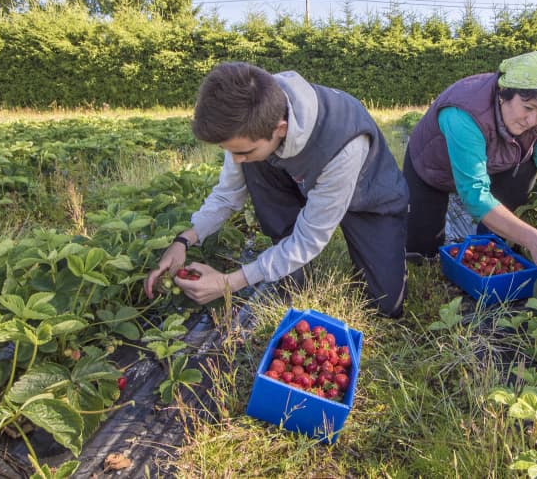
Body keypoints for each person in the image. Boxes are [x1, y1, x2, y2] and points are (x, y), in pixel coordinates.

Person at [143, 62, 409, 318]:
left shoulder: (344, 142)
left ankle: (389, 262)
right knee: (253, 164)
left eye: (243, 151)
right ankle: (292, 269)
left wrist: (230, 282)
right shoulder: (249, 119)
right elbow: (228, 193)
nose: (235, 159)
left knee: (385, 304)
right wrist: (184, 240)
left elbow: (310, 238)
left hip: (369, 197)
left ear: (280, 129)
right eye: (230, 151)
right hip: (303, 179)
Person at [404, 50, 537, 278]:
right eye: (528, 108)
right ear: (504, 93)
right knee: (421, 251)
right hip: (433, 168)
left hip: (496, 163)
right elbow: (474, 194)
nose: (532, 120)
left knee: (496, 238)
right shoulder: (464, 112)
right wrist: (533, 239)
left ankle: (488, 240)